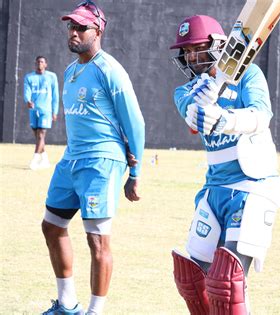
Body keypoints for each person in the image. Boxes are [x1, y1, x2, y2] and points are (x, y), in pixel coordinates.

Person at [169, 15, 280, 314]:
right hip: (215, 188)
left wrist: (225, 118)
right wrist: (204, 104)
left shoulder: (249, 75)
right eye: (187, 50)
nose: (191, 56)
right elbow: (193, 118)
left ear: (219, 46)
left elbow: (262, 116)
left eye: (197, 48)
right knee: (191, 280)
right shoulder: (186, 90)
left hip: (253, 185)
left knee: (226, 282)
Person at [41, 1, 145, 314]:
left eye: (81, 27)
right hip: (71, 161)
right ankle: (67, 304)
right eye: (71, 26)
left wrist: (135, 174)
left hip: (101, 163)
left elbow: (135, 122)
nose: (73, 32)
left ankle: (95, 311)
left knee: (97, 241)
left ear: (97, 31)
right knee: (52, 226)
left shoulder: (110, 70)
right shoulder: (71, 71)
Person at [23, 56, 59, 170]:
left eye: (42, 62)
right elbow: (26, 91)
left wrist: (55, 111)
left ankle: (34, 160)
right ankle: (45, 159)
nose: (39, 63)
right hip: (33, 110)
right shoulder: (29, 77)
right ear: (35, 63)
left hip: (46, 111)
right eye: (38, 62)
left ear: (46, 64)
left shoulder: (52, 77)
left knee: (41, 134)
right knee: (37, 136)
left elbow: (55, 96)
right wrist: (27, 100)